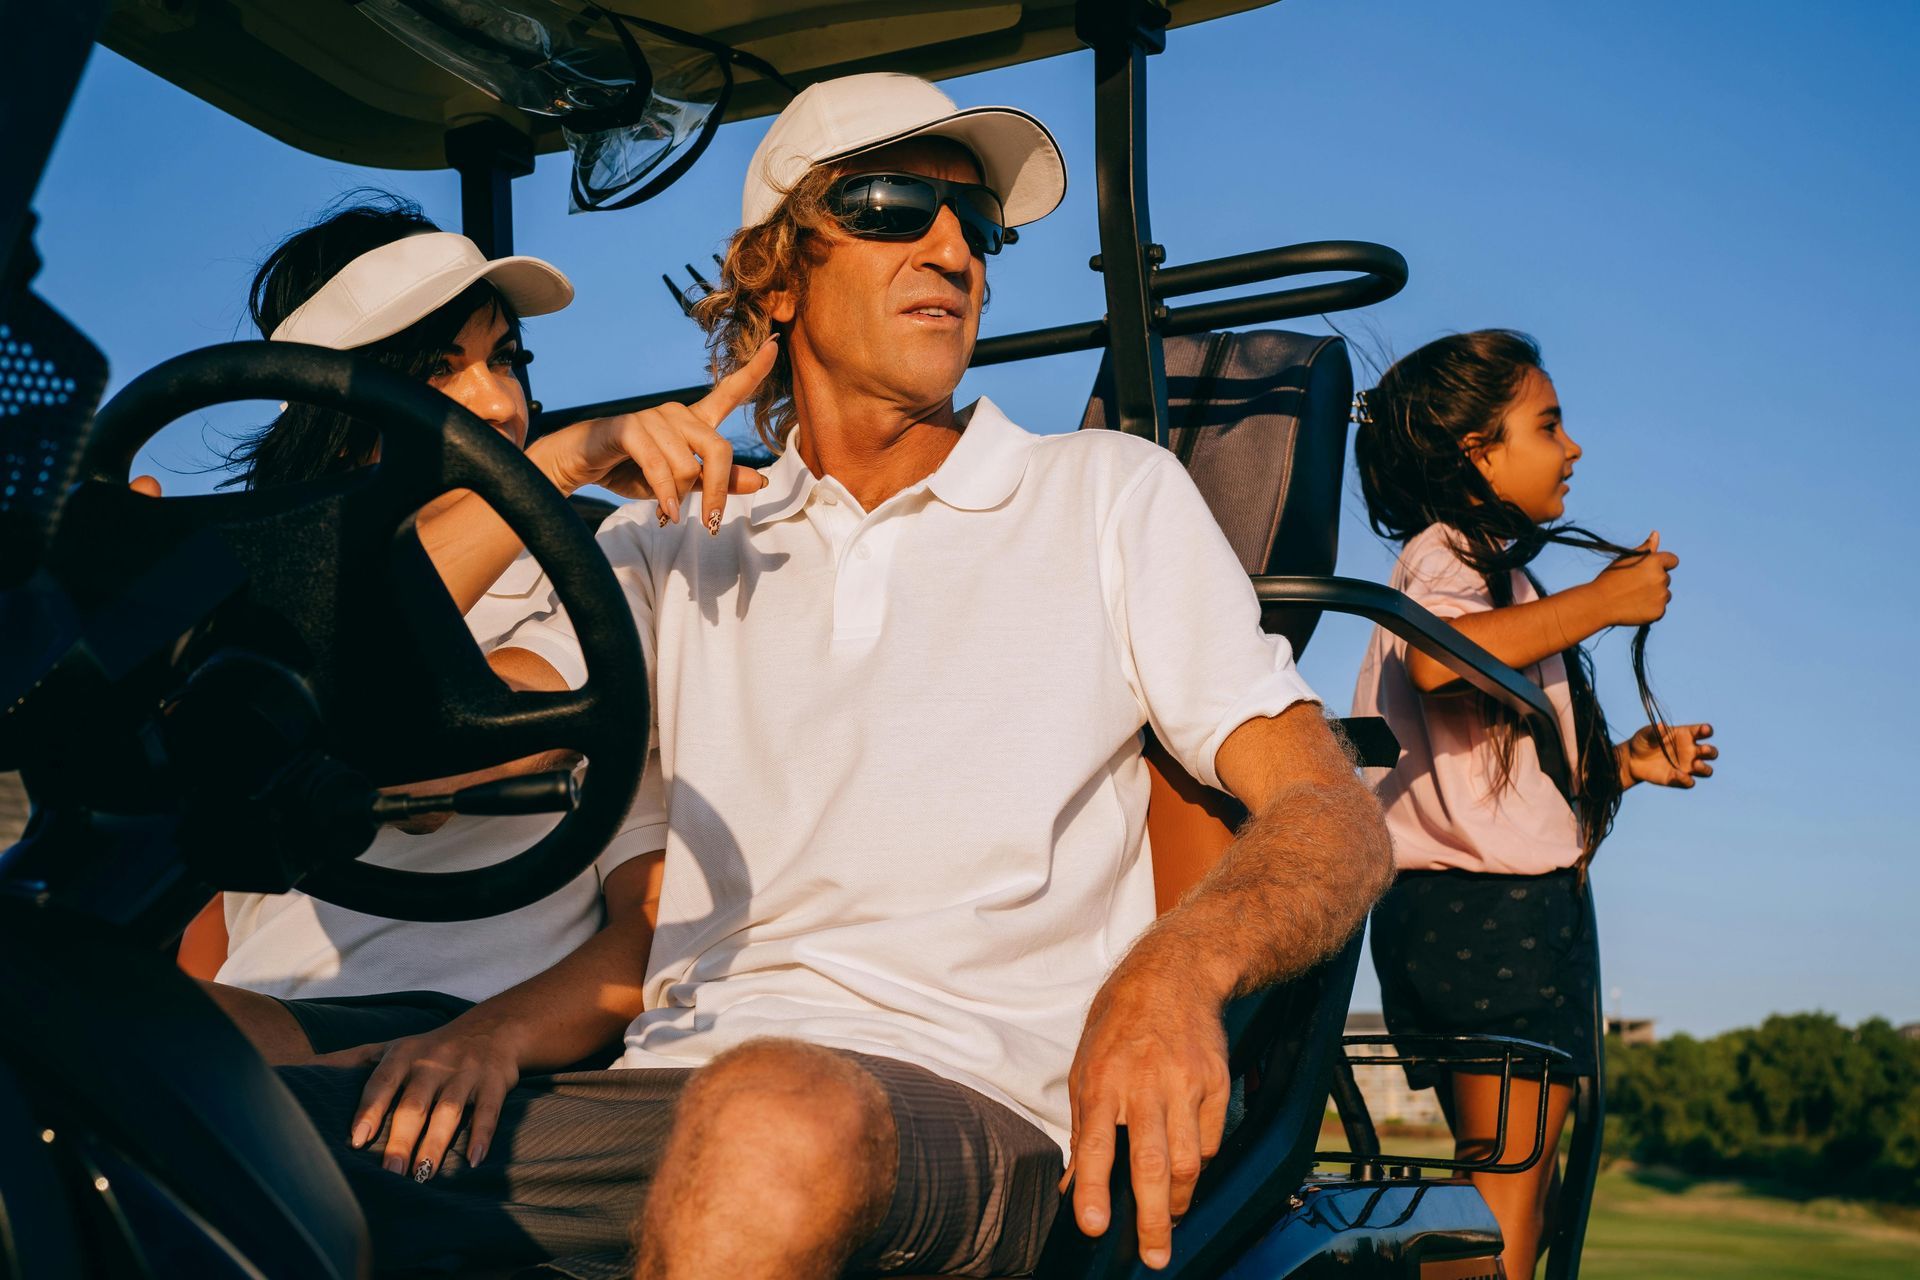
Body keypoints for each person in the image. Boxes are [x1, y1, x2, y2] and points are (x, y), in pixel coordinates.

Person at [281, 72, 1394, 1280]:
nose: (952, 249)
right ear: (773, 270)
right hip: (663, 1096)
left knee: (772, 1113)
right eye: (891, 204)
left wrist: (1179, 965)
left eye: (978, 226)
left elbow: (1332, 816)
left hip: (978, 1115)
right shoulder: (662, 546)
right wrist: (552, 463)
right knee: (191, 1122)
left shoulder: (1107, 491)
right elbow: (371, 711)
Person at [173, 194, 770, 1102]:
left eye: (504, 361)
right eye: (438, 370)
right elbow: (215, 915)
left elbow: (433, 741)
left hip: (450, 1016)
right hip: (267, 1011)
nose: (497, 403)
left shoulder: (598, 569)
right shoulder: (252, 598)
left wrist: (550, 475)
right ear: (336, 401)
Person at [1350, 330, 1718, 1277]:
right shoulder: (1447, 556)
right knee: (1505, 1199)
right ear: (1477, 451)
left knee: (1526, 1193)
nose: (1573, 447)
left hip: (1500, 913)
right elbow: (1438, 659)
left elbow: (1500, 777)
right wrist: (1602, 602)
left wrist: (1626, 766)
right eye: (1549, 425)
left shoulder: (1503, 581)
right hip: (1487, 916)